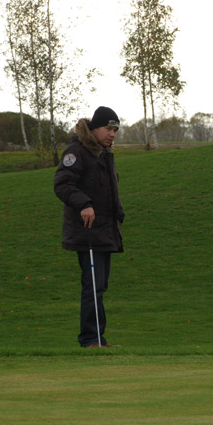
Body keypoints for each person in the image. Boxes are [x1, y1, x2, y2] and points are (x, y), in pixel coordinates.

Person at [54, 106, 124, 348]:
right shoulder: (77, 152)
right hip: (88, 231)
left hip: (105, 231)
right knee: (92, 286)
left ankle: (99, 339)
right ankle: (90, 339)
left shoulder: (104, 154)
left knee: (100, 286)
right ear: (93, 128)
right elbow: (62, 184)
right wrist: (84, 204)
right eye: (108, 128)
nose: (112, 134)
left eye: (115, 129)